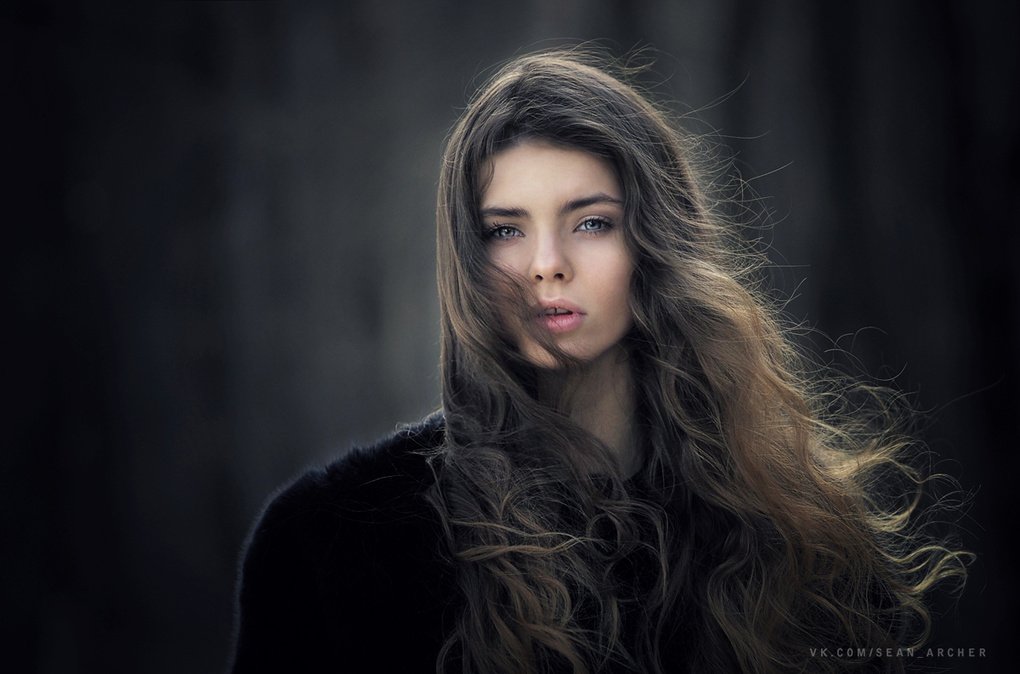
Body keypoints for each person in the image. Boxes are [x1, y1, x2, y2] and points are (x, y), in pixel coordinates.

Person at [229, 50, 969, 674]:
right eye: (503, 231)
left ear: (653, 241)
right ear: (465, 256)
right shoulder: (333, 546)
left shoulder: (803, 542)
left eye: (591, 223)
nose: (547, 266)